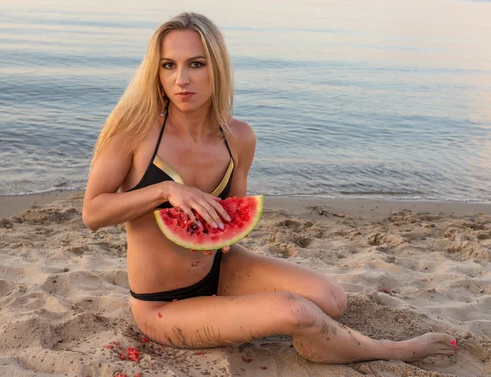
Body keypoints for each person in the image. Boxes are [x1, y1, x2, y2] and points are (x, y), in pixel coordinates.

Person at [82, 12, 458, 364]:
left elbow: (230, 222)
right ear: (157, 71)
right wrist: (164, 192)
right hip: (162, 305)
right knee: (296, 312)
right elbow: (92, 213)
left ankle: (282, 318)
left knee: (333, 299)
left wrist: (227, 234)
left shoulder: (239, 138)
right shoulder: (133, 133)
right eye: (169, 65)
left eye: (196, 64)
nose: (181, 79)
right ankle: (389, 351)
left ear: (217, 68)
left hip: (222, 269)